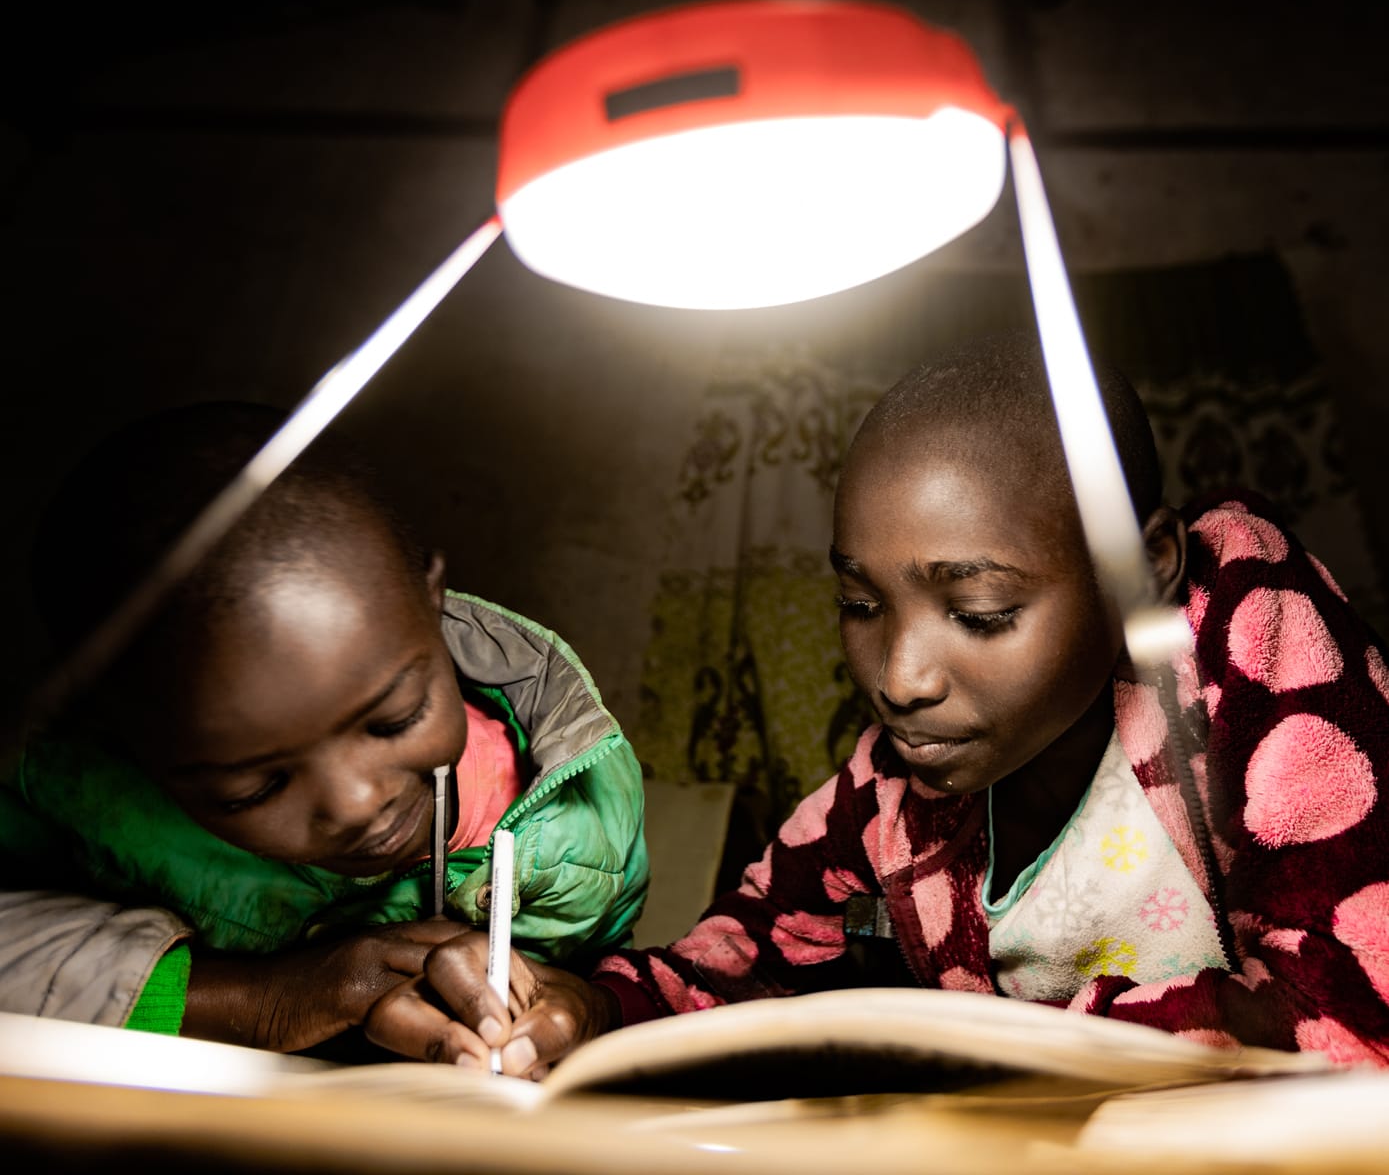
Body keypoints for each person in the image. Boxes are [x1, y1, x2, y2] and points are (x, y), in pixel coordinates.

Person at [380, 331, 1389, 1075]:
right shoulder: (894, 792)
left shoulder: (1248, 650)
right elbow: (747, 957)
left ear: (1145, 570)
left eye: (981, 610)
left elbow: (1352, 1010)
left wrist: (1005, 1053)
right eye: (861, 603)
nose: (900, 674)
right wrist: (582, 1007)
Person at [0, 401, 648, 1070]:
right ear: (127, 740)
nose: (356, 803)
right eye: (255, 786)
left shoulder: (577, 806)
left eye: (393, 720)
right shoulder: (59, 788)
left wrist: (551, 1013)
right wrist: (262, 1001)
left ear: (433, 600)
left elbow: (596, 989)